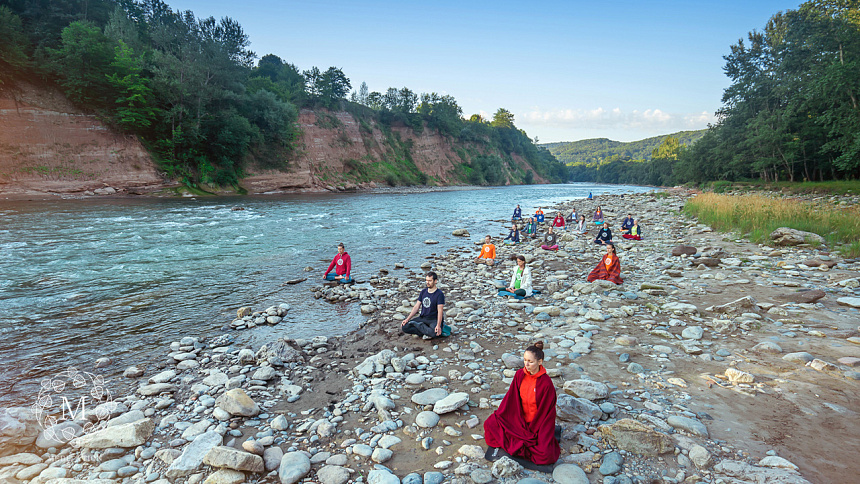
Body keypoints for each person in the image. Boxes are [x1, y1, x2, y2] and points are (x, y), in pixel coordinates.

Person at [483, 341, 560, 466]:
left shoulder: (546, 384)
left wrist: (538, 431)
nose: (526, 364)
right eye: (525, 360)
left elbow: (547, 413)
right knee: (490, 424)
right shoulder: (520, 375)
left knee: (546, 454)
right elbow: (510, 400)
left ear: (540, 362)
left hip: (537, 424)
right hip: (518, 420)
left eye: (530, 361)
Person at [401, 272, 450, 338]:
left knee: (435, 333)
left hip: (433, 319)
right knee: (405, 327)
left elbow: (440, 311)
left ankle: (420, 327)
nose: (427, 282)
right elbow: (416, 307)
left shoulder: (439, 294)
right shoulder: (423, 292)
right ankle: (423, 331)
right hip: (423, 318)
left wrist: (438, 325)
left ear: (435, 281)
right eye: (426, 280)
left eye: (430, 281)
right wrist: (407, 319)